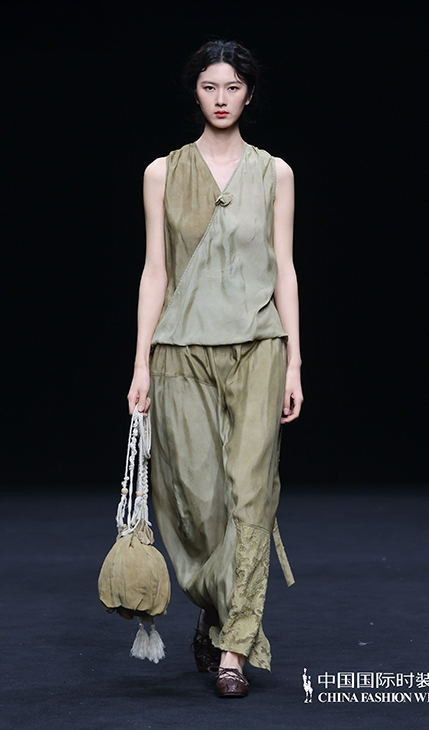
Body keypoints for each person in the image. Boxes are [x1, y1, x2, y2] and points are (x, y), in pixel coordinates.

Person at [127, 39, 303, 698]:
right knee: (197, 501)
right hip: (181, 349)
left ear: (249, 94)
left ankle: (235, 648)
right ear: (195, 92)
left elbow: (285, 268)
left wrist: (295, 361)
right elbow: (155, 271)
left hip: (259, 345)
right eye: (210, 86)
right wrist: (140, 362)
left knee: (251, 493)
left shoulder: (275, 173)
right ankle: (214, 601)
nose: (221, 98)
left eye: (233, 87)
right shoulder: (162, 172)